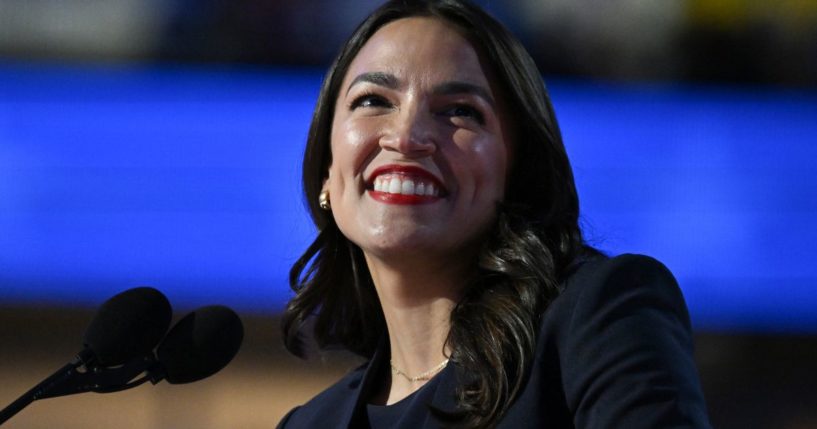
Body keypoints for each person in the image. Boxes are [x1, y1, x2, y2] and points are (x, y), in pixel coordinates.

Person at [277, 1, 712, 428]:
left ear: (517, 169)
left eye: (460, 111)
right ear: (327, 173)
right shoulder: (308, 423)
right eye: (373, 100)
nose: (407, 137)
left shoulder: (596, 317)